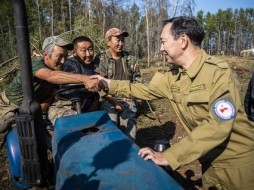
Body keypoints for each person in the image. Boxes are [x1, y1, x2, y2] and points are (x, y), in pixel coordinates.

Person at [94, 16, 254, 189]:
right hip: (208, 162)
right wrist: (108, 84)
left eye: (163, 42)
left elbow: (217, 125)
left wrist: (170, 157)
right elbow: (143, 89)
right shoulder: (174, 77)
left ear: (183, 40)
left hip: (238, 165)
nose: (161, 48)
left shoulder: (218, 73)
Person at [0, 35, 99, 132]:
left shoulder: (59, 67)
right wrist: (84, 78)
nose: (63, 61)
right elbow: (51, 76)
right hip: (9, 106)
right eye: (59, 56)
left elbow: (53, 93)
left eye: (65, 56)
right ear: (46, 54)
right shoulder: (34, 64)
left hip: (35, 106)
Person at [94, 28, 141, 140]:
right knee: (111, 122)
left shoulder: (131, 59)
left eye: (122, 40)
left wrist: (132, 95)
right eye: (117, 40)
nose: (121, 43)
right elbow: (98, 84)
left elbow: (138, 81)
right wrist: (113, 101)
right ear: (108, 42)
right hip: (108, 98)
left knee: (129, 122)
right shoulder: (100, 59)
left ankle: (130, 151)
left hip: (127, 98)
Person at [48, 36, 100, 123]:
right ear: (74, 53)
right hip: (66, 105)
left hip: (88, 105)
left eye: (90, 49)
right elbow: (73, 88)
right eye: (83, 50)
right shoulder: (70, 64)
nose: (88, 54)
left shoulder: (95, 66)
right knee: (75, 125)